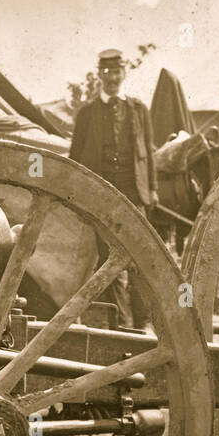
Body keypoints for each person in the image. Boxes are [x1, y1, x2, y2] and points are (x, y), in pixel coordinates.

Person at [67, 48, 158, 327]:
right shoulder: (87, 114)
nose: (112, 78)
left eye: (117, 72)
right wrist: (76, 195)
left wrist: (152, 188)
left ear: (124, 74)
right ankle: (118, 324)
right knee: (110, 258)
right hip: (101, 195)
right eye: (107, 73)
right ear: (99, 76)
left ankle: (142, 324)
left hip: (134, 193)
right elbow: (75, 158)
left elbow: (149, 153)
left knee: (140, 257)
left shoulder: (139, 110)